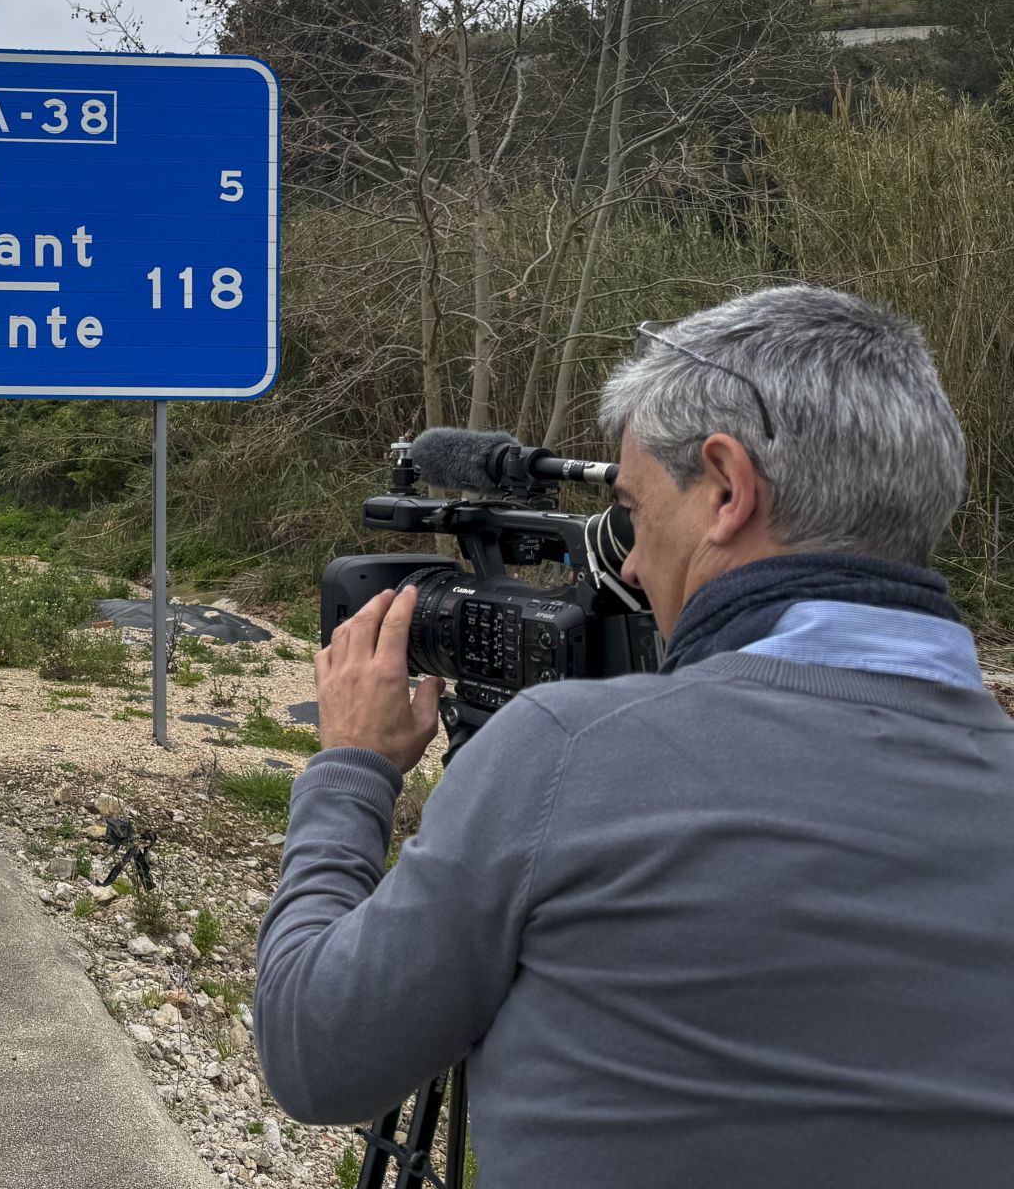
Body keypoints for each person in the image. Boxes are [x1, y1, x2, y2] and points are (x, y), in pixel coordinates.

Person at [255, 285, 1014, 1185]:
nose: (635, 563)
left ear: (727, 489)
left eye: (637, 514)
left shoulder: (563, 757)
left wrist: (350, 768)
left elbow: (314, 1053)